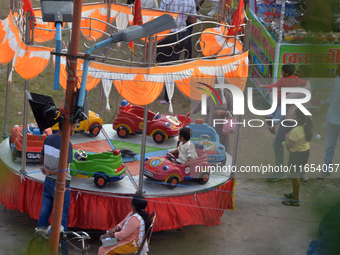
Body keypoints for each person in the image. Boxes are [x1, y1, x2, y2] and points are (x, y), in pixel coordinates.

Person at [37, 119, 76, 255]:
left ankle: (38, 244)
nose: (74, 128)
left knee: (44, 213)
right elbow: (64, 169)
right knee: (62, 217)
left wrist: (48, 170)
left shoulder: (48, 138)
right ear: (68, 126)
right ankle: (63, 251)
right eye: (73, 125)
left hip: (47, 182)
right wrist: (52, 171)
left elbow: (41, 159)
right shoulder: (67, 144)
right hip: (61, 185)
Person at [267, 65, 312, 182]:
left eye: (299, 72)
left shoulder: (303, 88)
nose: (296, 73)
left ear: (306, 75)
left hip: (291, 122)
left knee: (278, 144)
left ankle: (280, 171)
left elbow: (283, 99)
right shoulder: (300, 85)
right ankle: (301, 172)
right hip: (294, 121)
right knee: (292, 145)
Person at [259, 64, 307, 135]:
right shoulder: (295, 79)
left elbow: (274, 86)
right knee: (282, 110)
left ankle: (270, 116)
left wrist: (264, 86)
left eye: (282, 71)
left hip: (278, 97)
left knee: (278, 108)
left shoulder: (282, 80)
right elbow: (304, 83)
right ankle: (273, 125)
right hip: (286, 98)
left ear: (286, 74)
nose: (281, 72)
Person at [187, 88, 233, 153]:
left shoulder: (227, 95)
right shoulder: (209, 94)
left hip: (222, 128)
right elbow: (200, 104)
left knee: (221, 147)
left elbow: (232, 112)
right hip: (210, 125)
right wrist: (192, 111)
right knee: (209, 144)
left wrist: (223, 112)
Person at [282, 108, 312, 206]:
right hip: (304, 154)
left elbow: (289, 145)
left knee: (295, 178)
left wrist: (286, 138)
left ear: (298, 118)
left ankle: (296, 200)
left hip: (297, 156)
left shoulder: (295, 131)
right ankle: (294, 194)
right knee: (296, 176)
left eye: (294, 114)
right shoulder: (305, 128)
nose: (291, 116)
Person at [317, 64, 340, 179]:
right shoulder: (337, 80)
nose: (337, 69)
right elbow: (331, 97)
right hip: (331, 119)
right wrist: (320, 110)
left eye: (339, 67)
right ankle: (326, 170)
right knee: (330, 146)